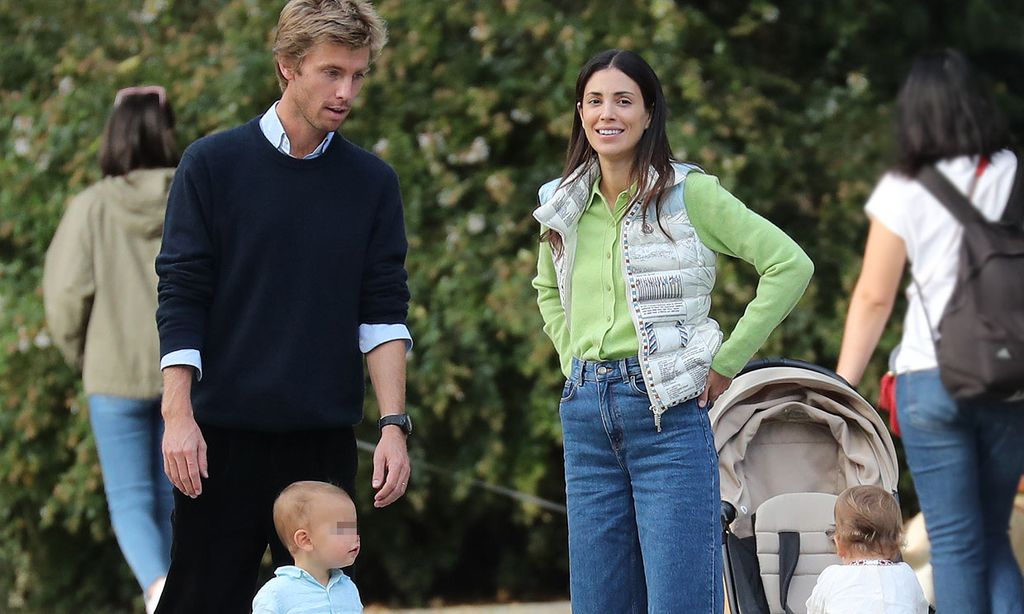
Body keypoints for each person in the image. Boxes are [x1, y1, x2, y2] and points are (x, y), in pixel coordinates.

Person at [532, 49, 814, 613]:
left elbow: (789, 265)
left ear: (648, 111)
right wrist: (573, 360)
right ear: (580, 112)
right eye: (594, 101)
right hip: (585, 415)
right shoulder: (559, 203)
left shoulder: (690, 194)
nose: (606, 114)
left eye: (623, 100)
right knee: (600, 604)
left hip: (668, 417)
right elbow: (547, 290)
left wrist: (725, 362)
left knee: (681, 603)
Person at [154, 1, 412, 612]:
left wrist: (394, 426)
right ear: (286, 68)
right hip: (219, 441)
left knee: (323, 605)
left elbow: (382, 311)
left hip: (320, 442)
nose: (347, 91)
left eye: (358, 75)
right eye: (332, 73)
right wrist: (177, 415)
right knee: (203, 600)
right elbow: (182, 291)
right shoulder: (211, 166)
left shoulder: (373, 184)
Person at [836, 49, 1023, 614]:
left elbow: (874, 295)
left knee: (956, 546)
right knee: (994, 538)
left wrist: (843, 385)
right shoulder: (1017, 171)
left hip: (931, 377)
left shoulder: (905, 187)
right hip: (1010, 379)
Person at [43, 85, 179, 614]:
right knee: (175, 495)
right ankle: (177, 593)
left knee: (129, 499)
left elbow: (63, 298)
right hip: (183, 372)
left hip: (112, 374)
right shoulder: (193, 195)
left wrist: (83, 356)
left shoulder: (90, 207)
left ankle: (157, 588)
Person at [806, 485, 930, 614]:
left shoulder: (832, 577)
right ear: (897, 545)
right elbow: (922, 609)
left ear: (839, 544)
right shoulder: (906, 574)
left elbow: (814, 610)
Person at [252, 481, 363, 613]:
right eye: (342, 530)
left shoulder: (348, 588)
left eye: (353, 528)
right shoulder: (276, 594)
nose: (355, 536)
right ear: (305, 540)